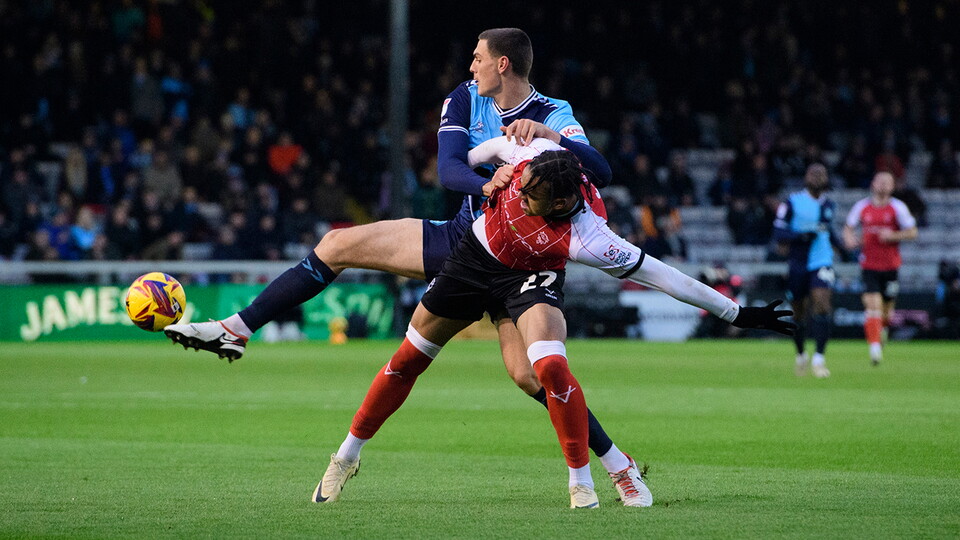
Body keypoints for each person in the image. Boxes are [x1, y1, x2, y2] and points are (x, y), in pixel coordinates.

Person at [164, 28, 657, 505]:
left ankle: (617, 464)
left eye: (478, 57)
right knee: (337, 245)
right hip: (462, 241)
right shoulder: (465, 97)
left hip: (519, 264)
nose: (471, 65)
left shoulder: (554, 111)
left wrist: (550, 136)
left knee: (531, 377)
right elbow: (448, 169)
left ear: (502, 64)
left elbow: (601, 170)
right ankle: (238, 328)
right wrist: (485, 184)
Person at [313, 142, 794, 509]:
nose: (518, 197)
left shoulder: (592, 238)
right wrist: (481, 174)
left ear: (562, 202)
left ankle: (586, 481)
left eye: (531, 197)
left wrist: (738, 313)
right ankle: (346, 457)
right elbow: (474, 156)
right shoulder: (535, 158)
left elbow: (666, 277)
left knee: (545, 369)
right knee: (406, 361)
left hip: (528, 279)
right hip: (471, 261)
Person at [842, 172, 917, 365]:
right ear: (873, 184)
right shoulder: (862, 207)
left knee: (886, 312)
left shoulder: (897, 207)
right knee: (872, 304)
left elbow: (912, 231)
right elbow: (848, 228)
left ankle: (881, 330)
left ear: (892, 187)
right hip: (869, 265)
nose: (883, 185)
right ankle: (875, 349)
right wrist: (850, 240)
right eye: (880, 182)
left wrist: (893, 236)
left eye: (887, 183)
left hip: (891, 267)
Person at [773, 163, 839, 378]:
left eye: (822, 173)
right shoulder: (792, 202)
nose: (818, 176)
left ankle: (819, 359)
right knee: (798, 312)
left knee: (822, 302)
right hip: (798, 263)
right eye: (814, 173)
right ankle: (801, 354)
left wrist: (846, 250)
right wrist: (800, 236)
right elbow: (779, 232)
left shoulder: (829, 205)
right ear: (806, 177)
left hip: (821, 260)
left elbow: (828, 232)